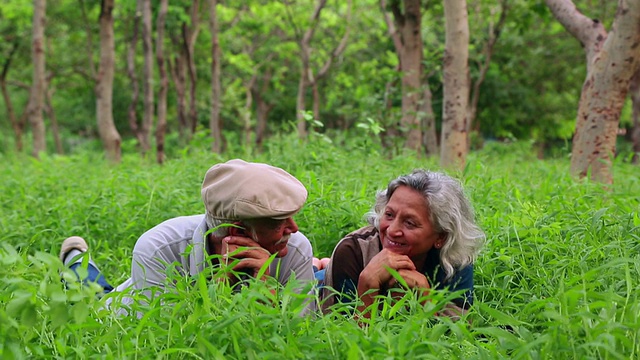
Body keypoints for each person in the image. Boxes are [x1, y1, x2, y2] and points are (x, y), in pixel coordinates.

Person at [60, 159, 315, 313]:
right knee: (89, 297)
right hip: (115, 314)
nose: (293, 229)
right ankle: (75, 258)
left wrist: (266, 295)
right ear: (238, 231)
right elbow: (165, 339)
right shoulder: (159, 248)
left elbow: (302, 332)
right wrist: (218, 292)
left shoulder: (297, 249)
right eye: (279, 222)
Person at [320, 170, 484, 318]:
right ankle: (319, 267)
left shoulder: (455, 260)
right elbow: (340, 340)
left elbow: (457, 338)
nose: (392, 230)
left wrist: (425, 299)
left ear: (441, 237)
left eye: (410, 223)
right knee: (315, 274)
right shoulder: (353, 251)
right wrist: (367, 287)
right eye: (389, 214)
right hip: (316, 285)